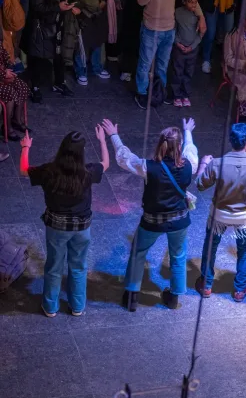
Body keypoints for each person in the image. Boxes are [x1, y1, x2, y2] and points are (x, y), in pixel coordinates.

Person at [102, 117, 199, 311]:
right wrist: (187, 131)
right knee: (178, 255)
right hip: (179, 220)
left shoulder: (149, 167)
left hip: (152, 220)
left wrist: (114, 135)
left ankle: (131, 296)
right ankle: (173, 297)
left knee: (138, 252)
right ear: (179, 146)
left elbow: (124, 158)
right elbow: (191, 149)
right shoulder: (189, 164)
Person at [20, 129, 109, 317]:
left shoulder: (49, 171)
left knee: (54, 266)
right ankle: (77, 306)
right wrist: (102, 140)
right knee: (78, 266)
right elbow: (106, 163)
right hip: (82, 227)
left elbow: (24, 169)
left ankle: (51, 307)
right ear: (81, 152)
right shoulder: (88, 173)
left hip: (56, 227)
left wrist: (26, 147)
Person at [194, 123, 246, 302]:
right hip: (245, 218)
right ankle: (239, 290)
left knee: (210, 247)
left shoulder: (217, 163)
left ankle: (207, 285)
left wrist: (204, 164)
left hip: (219, 215)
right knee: (244, 251)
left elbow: (200, 184)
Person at [134, 0, 207, 110]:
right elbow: (140, 0)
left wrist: (201, 16)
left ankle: (160, 91)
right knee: (145, 64)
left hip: (169, 29)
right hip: (151, 28)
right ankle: (141, 93)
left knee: (163, 64)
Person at [25, 0, 76, 102]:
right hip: (41, 25)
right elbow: (37, 6)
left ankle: (59, 83)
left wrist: (72, 4)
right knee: (37, 56)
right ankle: (34, 87)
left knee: (59, 55)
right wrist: (57, 7)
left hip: (59, 23)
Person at [68, 0, 111, 85]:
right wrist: (82, 8)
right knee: (80, 41)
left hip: (99, 8)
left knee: (98, 39)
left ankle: (96, 67)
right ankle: (80, 70)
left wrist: (104, 0)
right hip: (81, 9)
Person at [198, 0, 242, 74]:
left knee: (228, 35)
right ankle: (206, 59)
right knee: (210, 34)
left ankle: (227, 61)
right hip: (212, 6)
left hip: (228, 6)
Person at [171, 0, 203, 107]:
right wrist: (177, 43)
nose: (194, 5)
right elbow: (173, 29)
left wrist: (192, 47)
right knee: (177, 72)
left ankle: (185, 94)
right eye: (191, 2)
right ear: (184, 1)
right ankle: (176, 95)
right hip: (179, 49)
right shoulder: (177, 12)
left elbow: (201, 34)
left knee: (188, 73)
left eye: (195, 2)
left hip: (192, 50)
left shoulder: (198, 15)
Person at [0, 30, 30, 143]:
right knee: (10, 93)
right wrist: (3, 74)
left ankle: (17, 120)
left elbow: (4, 55)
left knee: (22, 86)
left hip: (3, 74)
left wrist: (9, 66)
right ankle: (6, 128)